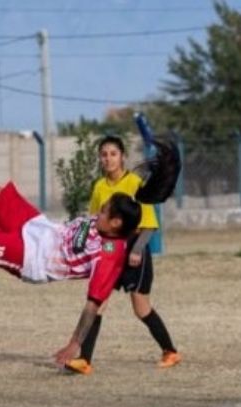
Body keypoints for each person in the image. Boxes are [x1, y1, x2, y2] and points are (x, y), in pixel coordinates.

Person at [0, 137, 180, 369]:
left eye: (103, 212)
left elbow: (93, 306)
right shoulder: (114, 210)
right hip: (38, 227)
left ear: (115, 224)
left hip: (32, 257)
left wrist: (74, 345)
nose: (97, 213)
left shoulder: (109, 255)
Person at [65, 136, 180, 376]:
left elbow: (149, 225)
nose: (108, 158)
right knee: (97, 303)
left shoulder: (135, 183)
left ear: (123, 156)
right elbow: (95, 221)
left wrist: (137, 250)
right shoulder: (99, 187)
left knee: (141, 308)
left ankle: (170, 351)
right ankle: (84, 360)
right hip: (109, 251)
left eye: (113, 154)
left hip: (134, 248)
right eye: (104, 154)